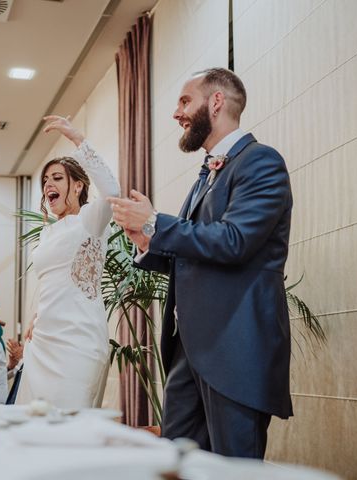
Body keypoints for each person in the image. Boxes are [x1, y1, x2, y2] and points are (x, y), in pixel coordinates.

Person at [108, 68, 293, 458]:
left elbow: (235, 241)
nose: (177, 113)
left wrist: (157, 223)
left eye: (184, 101)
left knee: (232, 469)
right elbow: (197, 253)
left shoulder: (261, 162)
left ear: (216, 102)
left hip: (235, 352)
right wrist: (147, 242)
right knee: (178, 462)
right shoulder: (206, 174)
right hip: (190, 352)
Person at [15, 115, 120, 409]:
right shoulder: (48, 232)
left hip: (79, 343)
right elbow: (54, 280)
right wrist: (35, 317)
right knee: (33, 428)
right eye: (46, 180)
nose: (49, 184)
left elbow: (112, 192)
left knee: (71, 432)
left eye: (57, 178)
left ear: (77, 186)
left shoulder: (91, 219)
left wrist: (77, 138)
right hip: (42, 344)